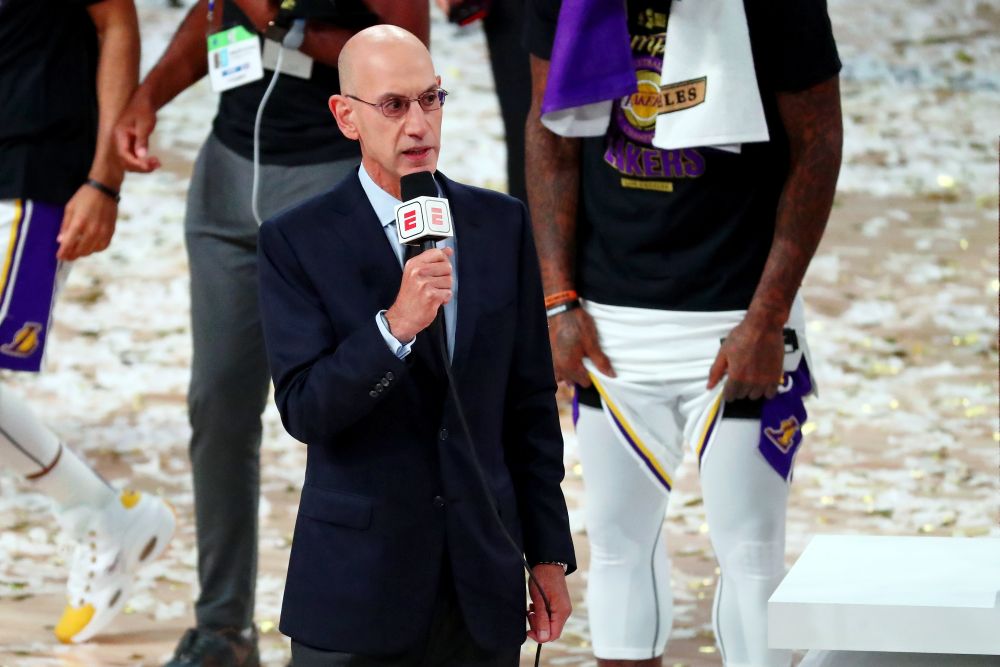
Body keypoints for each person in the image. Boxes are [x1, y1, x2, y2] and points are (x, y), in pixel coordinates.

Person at [524, 0, 843, 665]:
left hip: (736, 324)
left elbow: (818, 145)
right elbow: (549, 134)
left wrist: (767, 316)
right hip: (608, 325)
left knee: (752, 556)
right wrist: (557, 303)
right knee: (615, 549)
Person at [113, 2, 429, 664]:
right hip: (225, 181)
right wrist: (149, 94)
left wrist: (280, 18)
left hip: (324, 185)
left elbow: (406, 53)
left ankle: (359, 624)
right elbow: (212, 14)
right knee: (218, 407)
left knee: (354, 408)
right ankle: (223, 625)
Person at [256, 25, 576, 666]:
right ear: (346, 117)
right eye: (394, 105)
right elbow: (305, 409)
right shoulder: (297, 241)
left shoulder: (500, 223)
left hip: (479, 587)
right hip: (356, 591)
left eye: (431, 100)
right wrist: (395, 328)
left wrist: (547, 552)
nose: (419, 125)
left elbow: (529, 404)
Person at [0, 0, 176, 645]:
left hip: (30, 176)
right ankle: (104, 514)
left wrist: (104, 179)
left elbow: (117, 20)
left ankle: (101, 513)